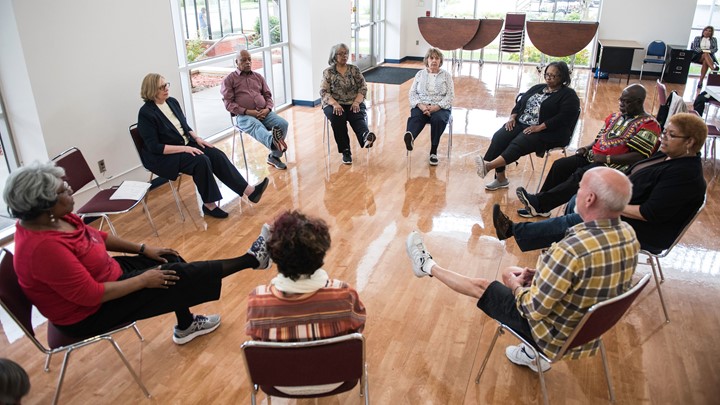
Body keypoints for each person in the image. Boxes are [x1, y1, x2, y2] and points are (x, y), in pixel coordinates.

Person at [5, 161, 273, 345]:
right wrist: (143, 280)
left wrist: (145, 249)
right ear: (44, 205)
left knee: (168, 258)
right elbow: (90, 296)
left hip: (107, 276)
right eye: (63, 190)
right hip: (88, 313)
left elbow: (97, 236)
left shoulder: (55, 218)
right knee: (173, 274)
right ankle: (252, 259)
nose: (70, 189)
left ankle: (186, 325)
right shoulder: (43, 249)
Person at [406, 166, 639, 371]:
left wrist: (514, 284)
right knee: (518, 276)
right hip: (588, 332)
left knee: (485, 286)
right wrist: (543, 276)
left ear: (589, 199)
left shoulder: (569, 252)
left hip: (552, 337)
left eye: (579, 188)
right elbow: (590, 277)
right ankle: (529, 353)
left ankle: (426, 265)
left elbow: (532, 309)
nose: (575, 193)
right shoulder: (629, 236)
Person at [495, 113, 707, 254]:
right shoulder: (668, 156)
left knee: (579, 217)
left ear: (690, 142)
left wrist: (607, 205)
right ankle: (559, 246)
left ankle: (516, 231)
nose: (663, 138)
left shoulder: (685, 175)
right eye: (664, 133)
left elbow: (650, 213)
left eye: (671, 135)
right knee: (575, 199)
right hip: (625, 212)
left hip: (644, 230)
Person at [246, 210, 366, 395]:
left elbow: (258, 339)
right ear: (321, 254)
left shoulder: (257, 300)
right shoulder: (344, 294)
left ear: (275, 255)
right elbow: (358, 327)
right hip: (337, 379)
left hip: (279, 383)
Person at [515, 84, 660, 218]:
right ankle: (539, 206)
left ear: (639, 102)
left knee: (580, 176)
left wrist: (606, 159)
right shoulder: (615, 117)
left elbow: (639, 156)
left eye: (626, 101)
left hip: (614, 167)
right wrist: (587, 147)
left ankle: (539, 204)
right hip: (594, 157)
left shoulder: (649, 125)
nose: (621, 104)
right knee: (560, 165)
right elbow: (599, 138)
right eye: (620, 100)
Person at [138, 73, 268, 219]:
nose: (166, 89)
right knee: (201, 161)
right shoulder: (146, 113)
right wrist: (186, 148)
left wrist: (197, 139)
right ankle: (209, 205)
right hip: (165, 155)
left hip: (186, 144)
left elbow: (185, 126)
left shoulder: (171, 102)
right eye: (161, 87)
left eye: (166, 84)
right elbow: (154, 147)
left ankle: (250, 191)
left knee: (215, 154)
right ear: (151, 90)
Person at [475, 61, 580, 191]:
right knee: (500, 137)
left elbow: (564, 117)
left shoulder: (569, 95)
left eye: (554, 76)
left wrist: (540, 127)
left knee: (519, 142)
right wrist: (512, 118)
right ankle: (501, 179)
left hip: (549, 131)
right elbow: (520, 104)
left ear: (563, 77)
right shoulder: (537, 88)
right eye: (547, 74)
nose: (549, 78)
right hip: (522, 123)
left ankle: (488, 166)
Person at [221, 50, 290, 170]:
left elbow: (268, 96)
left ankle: (274, 156)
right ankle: (274, 143)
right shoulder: (229, 80)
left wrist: (267, 109)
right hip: (243, 116)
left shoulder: (258, 77)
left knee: (283, 123)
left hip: (264, 113)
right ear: (236, 62)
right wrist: (247, 111)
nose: (248, 62)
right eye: (243, 60)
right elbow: (228, 104)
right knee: (257, 125)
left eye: (249, 59)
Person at [320, 43, 377, 165]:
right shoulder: (328, 72)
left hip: (353, 101)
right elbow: (324, 92)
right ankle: (346, 151)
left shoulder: (354, 70)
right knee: (338, 118)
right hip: (333, 103)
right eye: (341, 54)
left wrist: (357, 102)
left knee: (356, 114)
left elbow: (363, 87)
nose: (344, 56)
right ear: (334, 56)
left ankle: (365, 137)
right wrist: (335, 104)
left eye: (346, 53)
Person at [403, 47, 454, 166]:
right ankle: (410, 137)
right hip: (422, 104)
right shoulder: (420, 74)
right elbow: (412, 93)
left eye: (437, 58)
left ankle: (433, 152)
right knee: (416, 117)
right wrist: (421, 106)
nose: (434, 61)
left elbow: (450, 96)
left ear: (440, 61)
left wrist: (436, 107)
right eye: (431, 58)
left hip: (440, 106)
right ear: (427, 60)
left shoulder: (446, 76)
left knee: (438, 119)